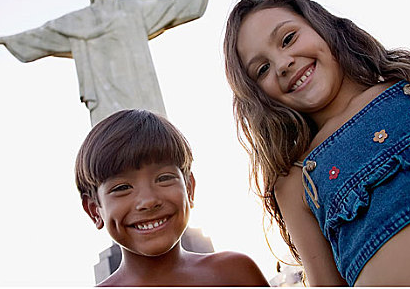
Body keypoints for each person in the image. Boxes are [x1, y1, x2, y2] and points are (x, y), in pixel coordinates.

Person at [223, 0, 410, 286]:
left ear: (324, 27)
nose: (283, 65)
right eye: (263, 69)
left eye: (288, 38)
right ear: (259, 97)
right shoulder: (296, 178)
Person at [0, 0, 241, 126]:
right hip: (105, 96)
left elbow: (169, 5)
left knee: (149, 131)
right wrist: (2, 40)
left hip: (139, 87)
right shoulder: (78, 20)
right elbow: (42, 35)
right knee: (114, 141)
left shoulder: (132, 10)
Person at [75, 109, 269, 286]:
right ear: (94, 210)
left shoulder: (235, 274)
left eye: (164, 178)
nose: (149, 200)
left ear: (189, 189)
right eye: (122, 187)